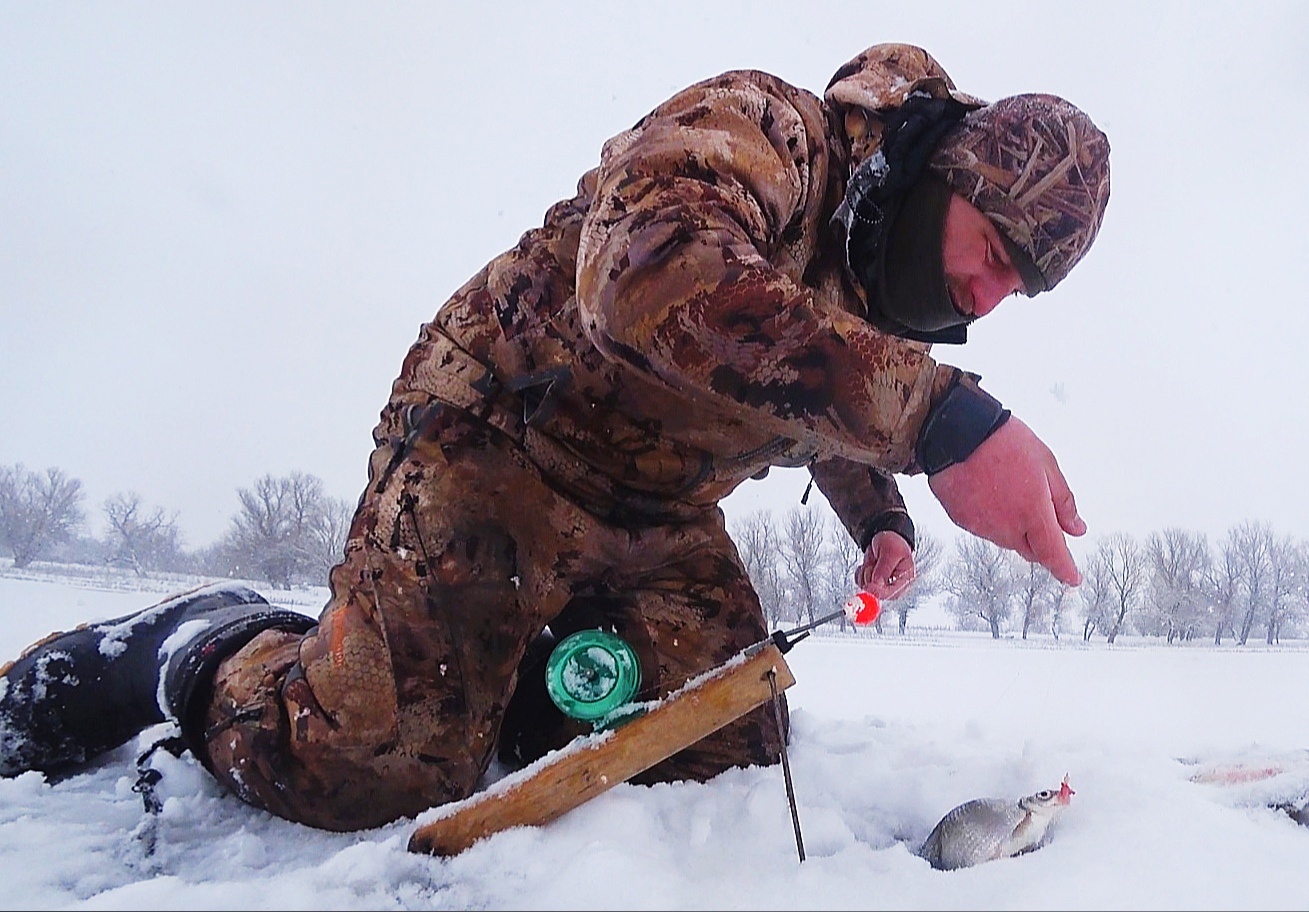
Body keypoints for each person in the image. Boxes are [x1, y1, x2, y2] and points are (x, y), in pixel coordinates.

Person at [0, 43, 1109, 831]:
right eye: (995, 250)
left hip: (659, 514)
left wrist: (880, 513)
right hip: (498, 444)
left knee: (720, 747)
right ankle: (199, 643)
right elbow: (652, 279)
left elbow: (809, 396)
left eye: (1022, 286)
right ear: (948, 173)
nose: (986, 293)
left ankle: (490, 670)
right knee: (367, 772)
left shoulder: (873, 287)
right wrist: (946, 419)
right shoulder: (767, 131)